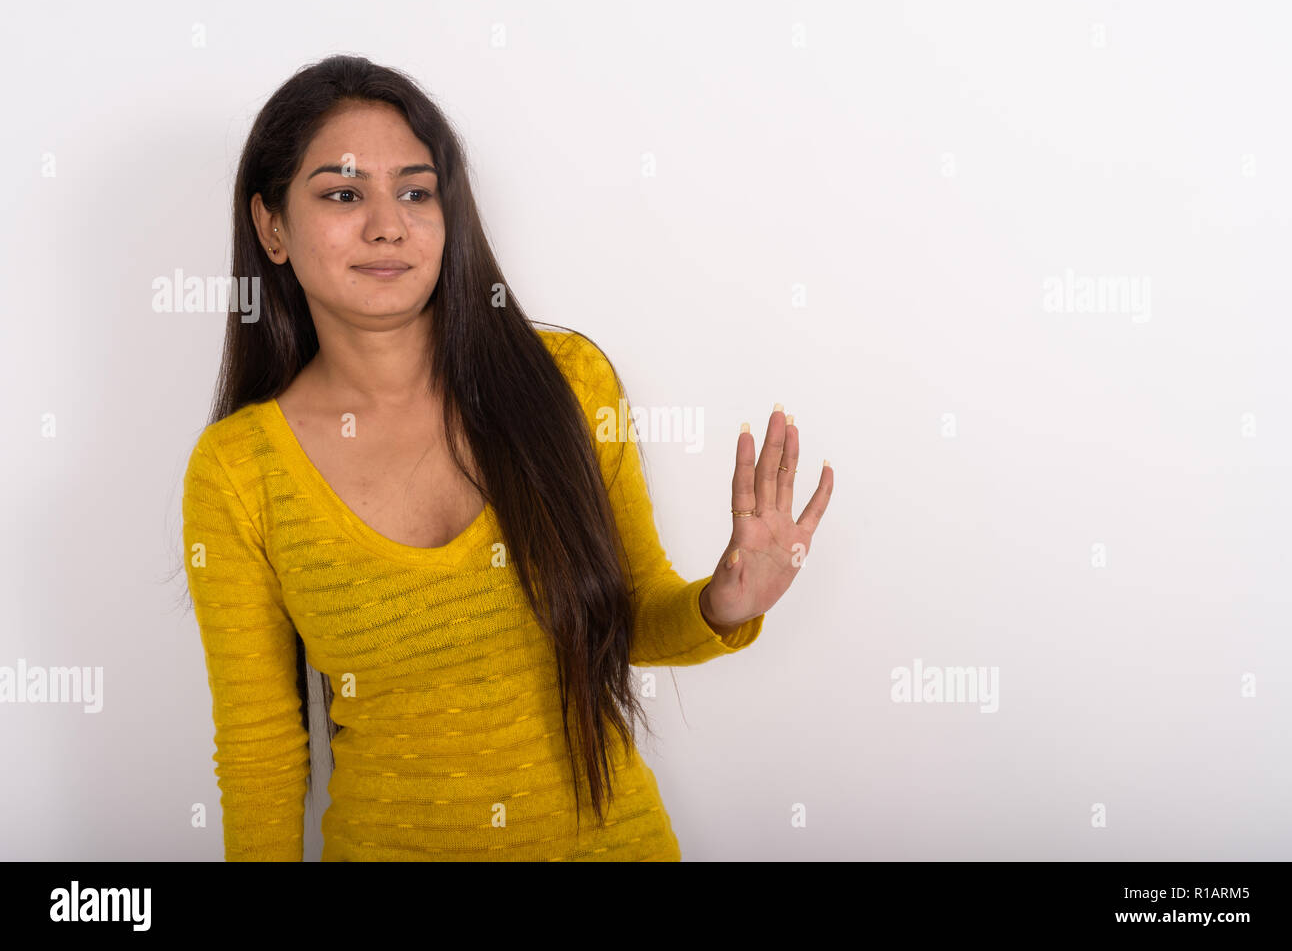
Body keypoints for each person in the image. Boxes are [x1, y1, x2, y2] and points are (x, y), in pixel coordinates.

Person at [181, 53, 833, 861]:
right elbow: (262, 754)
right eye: (343, 194)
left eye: (416, 192)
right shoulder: (239, 470)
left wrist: (722, 604)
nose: (388, 224)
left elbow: (628, 615)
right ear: (272, 226)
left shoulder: (567, 382)